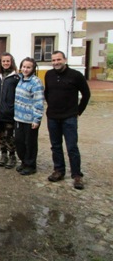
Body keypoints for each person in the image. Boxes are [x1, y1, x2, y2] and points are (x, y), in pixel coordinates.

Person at [44, 51, 90, 190]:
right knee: (56, 146)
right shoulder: (49, 74)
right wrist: (52, 105)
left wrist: (78, 111)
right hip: (52, 116)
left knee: (72, 147)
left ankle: (77, 175)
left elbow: (86, 94)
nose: (56, 62)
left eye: (58, 59)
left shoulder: (76, 75)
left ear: (65, 59)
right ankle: (59, 170)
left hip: (69, 117)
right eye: (53, 60)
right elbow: (47, 93)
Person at [14, 57, 44, 176]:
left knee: (30, 143)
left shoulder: (36, 82)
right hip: (18, 117)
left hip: (30, 119)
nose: (25, 69)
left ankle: (31, 165)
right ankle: (23, 162)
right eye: (24, 67)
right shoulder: (20, 79)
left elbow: (39, 102)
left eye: (28, 67)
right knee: (19, 142)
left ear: (33, 68)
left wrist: (36, 119)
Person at [0, 52, 20, 169]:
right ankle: (3, 154)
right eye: (3, 61)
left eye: (8, 61)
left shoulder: (16, 77)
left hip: (10, 112)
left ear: (11, 62)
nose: (5, 63)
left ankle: (12, 156)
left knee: (10, 135)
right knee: (1, 135)